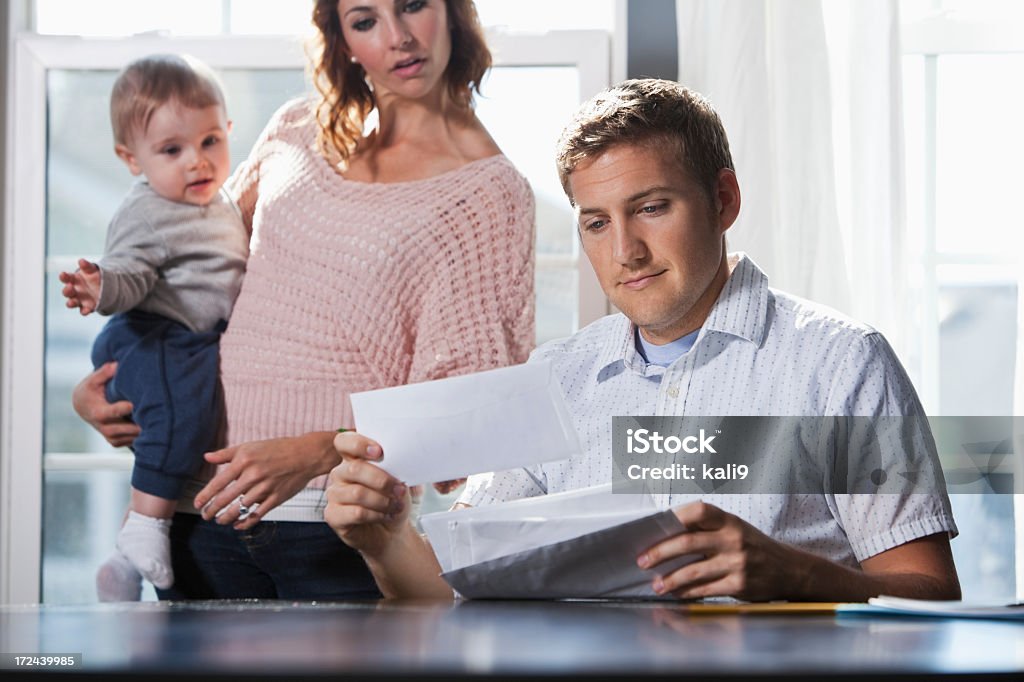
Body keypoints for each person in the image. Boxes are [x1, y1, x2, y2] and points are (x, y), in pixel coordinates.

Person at [325, 78, 961, 602]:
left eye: (652, 207)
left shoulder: (842, 362)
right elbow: (453, 596)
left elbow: (933, 600)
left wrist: (799, 578)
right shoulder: (553, 377)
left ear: (724, 198)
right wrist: (386, 539)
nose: (624, 252)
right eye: (597, 223)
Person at [72, 0, 535, 600]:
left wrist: (317, 451)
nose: (398, 38)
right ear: (341, 40)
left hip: (332, 530)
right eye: (364, 21)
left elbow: (464, 420)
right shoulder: (295, 128)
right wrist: (104, 387)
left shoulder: (489, 196)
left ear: (451, 12)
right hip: (193, 511)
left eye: (413, 6)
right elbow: (188, 269)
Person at [59, 54, 247, 600]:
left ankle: (122, 563)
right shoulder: (147, 212)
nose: (197, 162)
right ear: (131, 159)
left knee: (187, 416)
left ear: (228, 131)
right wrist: (101, 287)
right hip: (149, 333)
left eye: (211, 141)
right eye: (172, 150)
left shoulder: (221, 199)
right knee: (181, 415)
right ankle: (145, 526)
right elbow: (131, 272)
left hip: (184, 341)